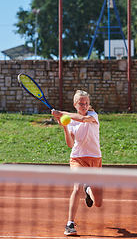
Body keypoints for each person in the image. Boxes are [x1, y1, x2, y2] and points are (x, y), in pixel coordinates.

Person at [51, 90, 102, 236]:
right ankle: (70, 224)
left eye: (86, 103)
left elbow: (82, 119)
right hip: (77, 158)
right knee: (77, 186)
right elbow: (70, 144)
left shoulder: (93, 116)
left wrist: (61, 113)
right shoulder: (72, 121)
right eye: (81, 103)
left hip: (95, 159)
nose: (84, 105)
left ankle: (88, 190)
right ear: (75, 104)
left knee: (98, 203)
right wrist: (65, 126)